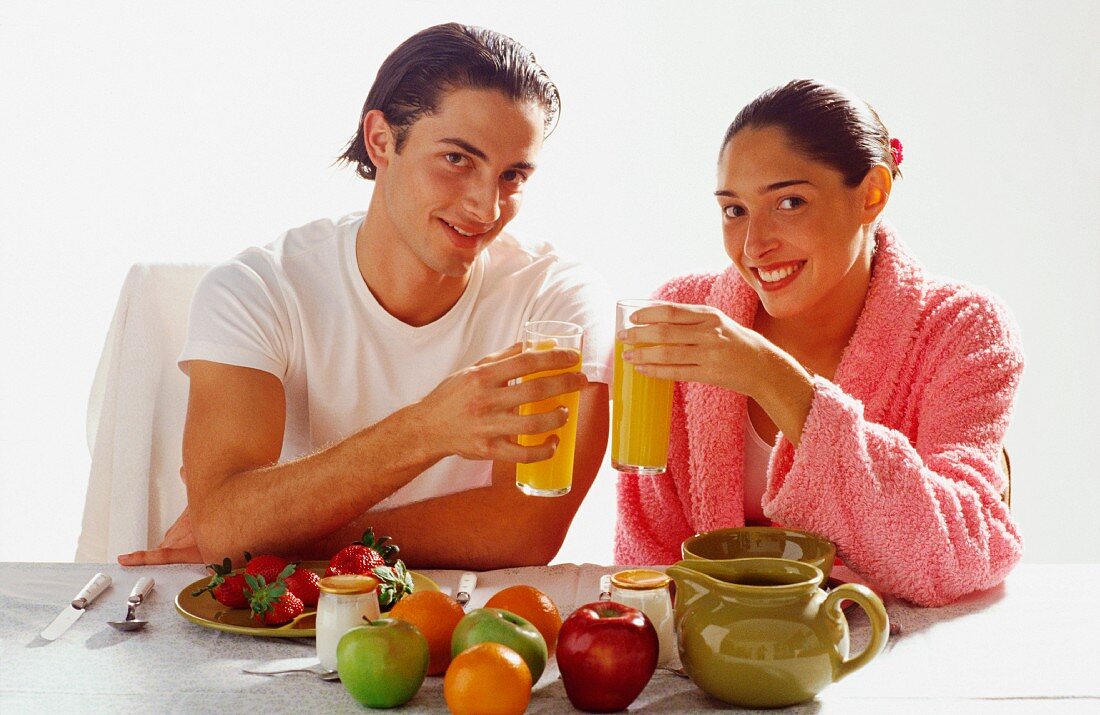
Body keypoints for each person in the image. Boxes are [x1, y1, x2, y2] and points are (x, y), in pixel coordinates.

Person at [118, 23, 611, 570]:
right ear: (381, 140)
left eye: (512, 175)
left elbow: (526, 532)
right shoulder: (257, 288)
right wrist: (427, 428)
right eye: (457, 159)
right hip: (287, 623)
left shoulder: (554, 299)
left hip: (467, 626)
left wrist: (274, 538)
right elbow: (227, 525)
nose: (486, 207)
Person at [615, 79, 1023, 607]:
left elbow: (962, 551)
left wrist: (772, 378)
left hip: (886, 652)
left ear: (872, 193)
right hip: (711, 653)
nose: (754, 246)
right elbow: (649, 554)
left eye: (789, 202)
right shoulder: (688, 313)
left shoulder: (961, 328)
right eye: (734, 210)